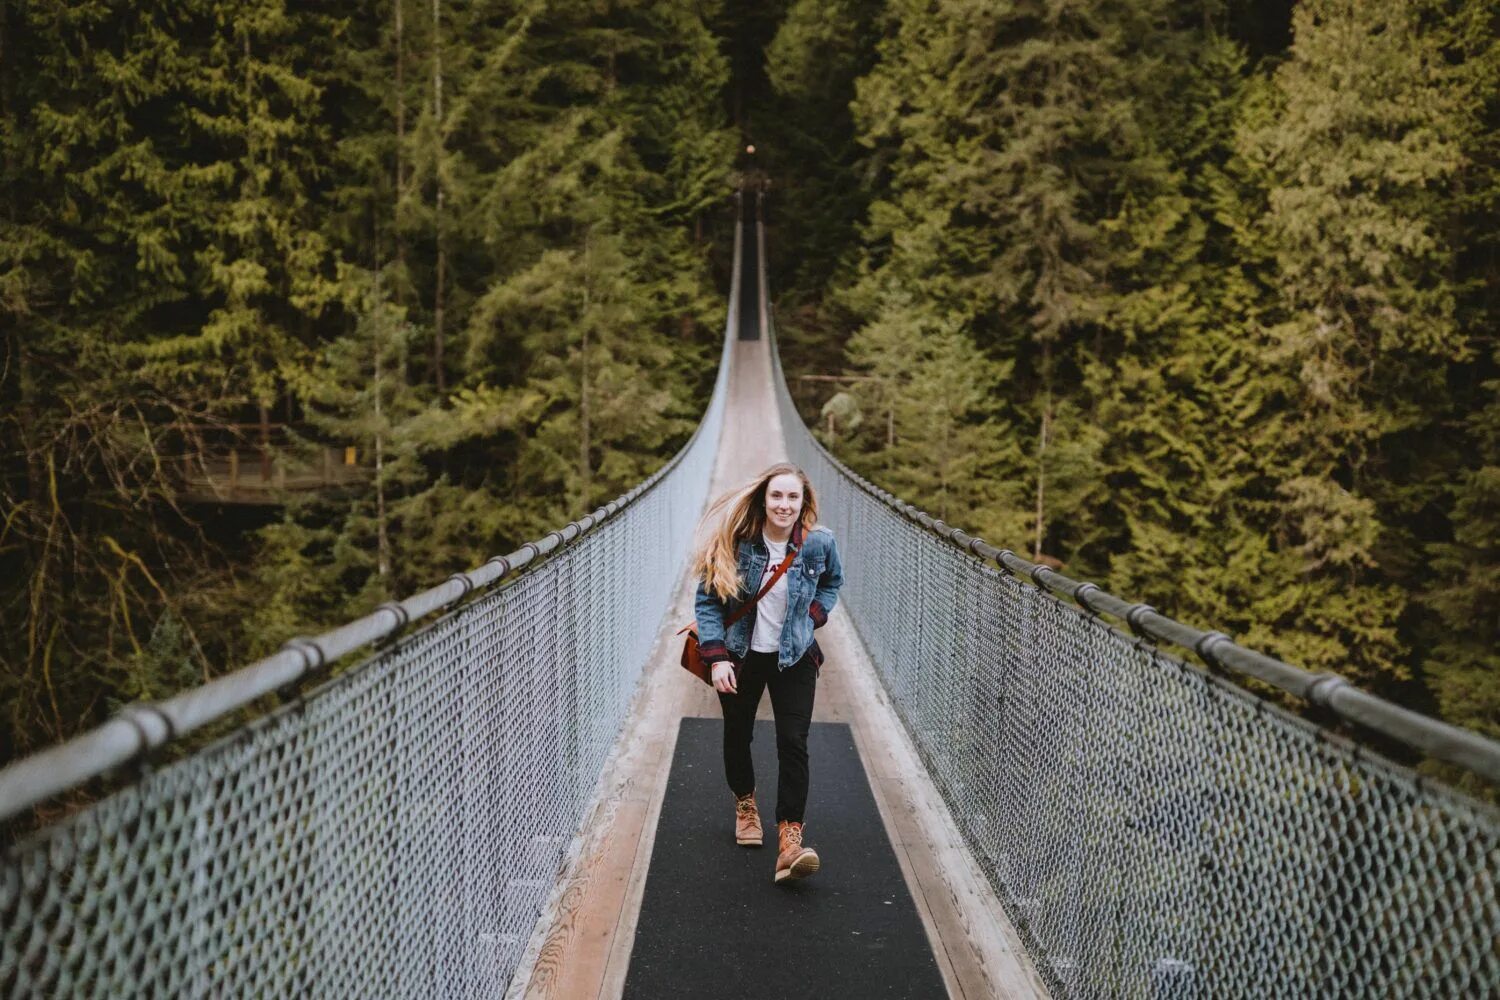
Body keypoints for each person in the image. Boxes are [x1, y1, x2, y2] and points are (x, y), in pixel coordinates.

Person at [690, 462, 845, 884]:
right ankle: (745, 803)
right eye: (777, 496)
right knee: (738, 733)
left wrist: (813, 616)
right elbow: (706, 602)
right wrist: (717, 656)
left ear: (803, 502)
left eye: (793, 497)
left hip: (793, 656)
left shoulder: (820, 544)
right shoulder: (737, 542)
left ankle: (790, 838)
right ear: (764, 499)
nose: (784, 504)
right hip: (740, 656)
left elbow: (833, 581)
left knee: (794, 741)